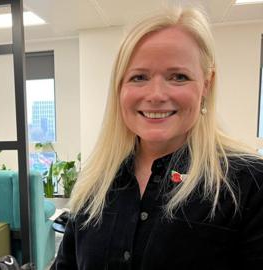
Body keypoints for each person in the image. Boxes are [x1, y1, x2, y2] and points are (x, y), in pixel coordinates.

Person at [52, 7, 263, 270]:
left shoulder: (249, 184)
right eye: (139, 77)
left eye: (178, 77)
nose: (156, 94)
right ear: (119, 88)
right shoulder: (96, 180)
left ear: (206, 84)